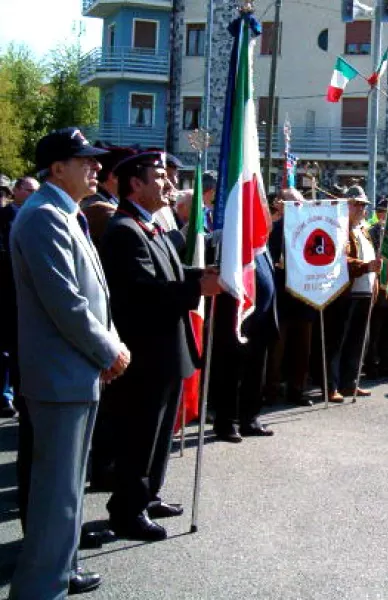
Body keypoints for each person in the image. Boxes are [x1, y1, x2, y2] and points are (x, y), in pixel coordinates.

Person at [10, 127, 130, 598]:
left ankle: (63, 570)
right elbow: (66, 303)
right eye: (86, 160)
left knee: (67, 490)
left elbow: (95, 295)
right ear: (56, 168)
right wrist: (109, 350)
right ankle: (40, 589)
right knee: (55, 495)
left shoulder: (64, 213)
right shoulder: (43, 217)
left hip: (74, 372)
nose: (96, 167)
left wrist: (109, 343)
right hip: (61, 375)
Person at [99, 151, 221, 542]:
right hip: (147, 353)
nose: (169, 184)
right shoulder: (124, 230)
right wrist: (194, 288)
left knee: (159, 433)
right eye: (160, 177)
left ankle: (148, 494)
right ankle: (127, 510)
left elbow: (171, 272)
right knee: (140, 434)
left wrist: (201, 275)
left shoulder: (149, 226)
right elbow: (141, 292)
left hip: (167, 350)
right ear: (136, 183)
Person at [209, 198, 278, 442]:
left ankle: (250, 418)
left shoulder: (262, 245)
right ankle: (227, 422)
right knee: (231, 371)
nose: (268, 219)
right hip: (240, 319)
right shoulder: (238, 243)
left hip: (261, 319)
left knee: (254, 371)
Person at [327, 186, 381, 401]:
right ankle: (331, 385)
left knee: (358, 341)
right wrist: (365, 266)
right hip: (345, 293)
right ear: (346, 205)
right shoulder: (339, 229)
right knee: (337, 341)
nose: (361, 209)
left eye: (363, 205)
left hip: (365, 293)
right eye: (356, 204)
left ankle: (350, 382)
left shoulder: (364, 230)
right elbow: (339, 259)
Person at [266, 187, 315, 406]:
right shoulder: (272, 231)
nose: (298, 208)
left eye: (300, 203)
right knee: (277, 350)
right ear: (280, 205)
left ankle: (297, 390)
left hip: (304, 299)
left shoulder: (310, 230)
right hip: (281, 300)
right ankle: (271, 391)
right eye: (293, 203)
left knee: (301, 350)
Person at [0, 177, 39, 418]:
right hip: (7, 292)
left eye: (36, 191)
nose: (32, 195)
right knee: (8, 349)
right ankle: (7, 396)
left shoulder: (36, 216)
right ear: (15, 191)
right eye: (28, 190)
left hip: (25, 295)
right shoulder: (4, 217)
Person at [364, 196, 388, 378]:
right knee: (375, 329)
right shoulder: (370, 232)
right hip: (378, 285)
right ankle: (371, 365)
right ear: (379, 214)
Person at [81, 145, 136, 246]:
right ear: (114, 177)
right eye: (134, 174)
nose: (138, 180)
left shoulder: (108, 201)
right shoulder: (99, 210)